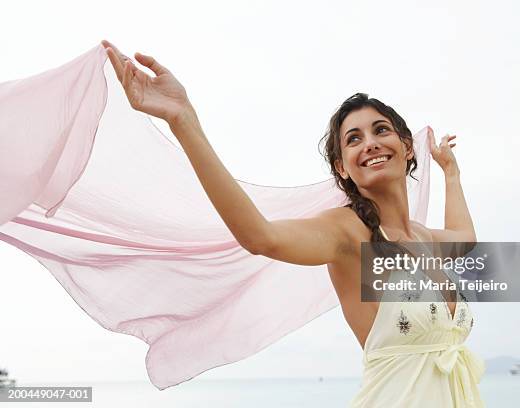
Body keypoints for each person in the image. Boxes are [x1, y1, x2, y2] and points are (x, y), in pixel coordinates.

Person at [101, 40, 485, 407]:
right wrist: (184, 120)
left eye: (380, 130)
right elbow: (260, 236)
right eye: (354, 139)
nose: (369, 142)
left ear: (405, 146)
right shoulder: (347, 232)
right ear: (343, 168)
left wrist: (451, 172)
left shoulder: (421, 238)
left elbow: (466, 238)